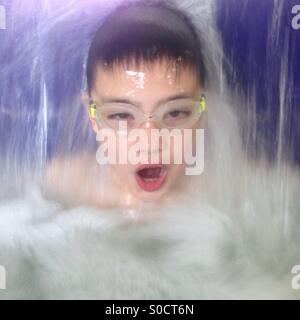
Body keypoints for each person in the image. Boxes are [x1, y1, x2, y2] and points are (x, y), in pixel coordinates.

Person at [43, 1, 207, 209]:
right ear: (93, 117)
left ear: (201, 111)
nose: (149, 144)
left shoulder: (233, 193)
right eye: (121, 116)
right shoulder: (62, 185)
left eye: (174, 112)